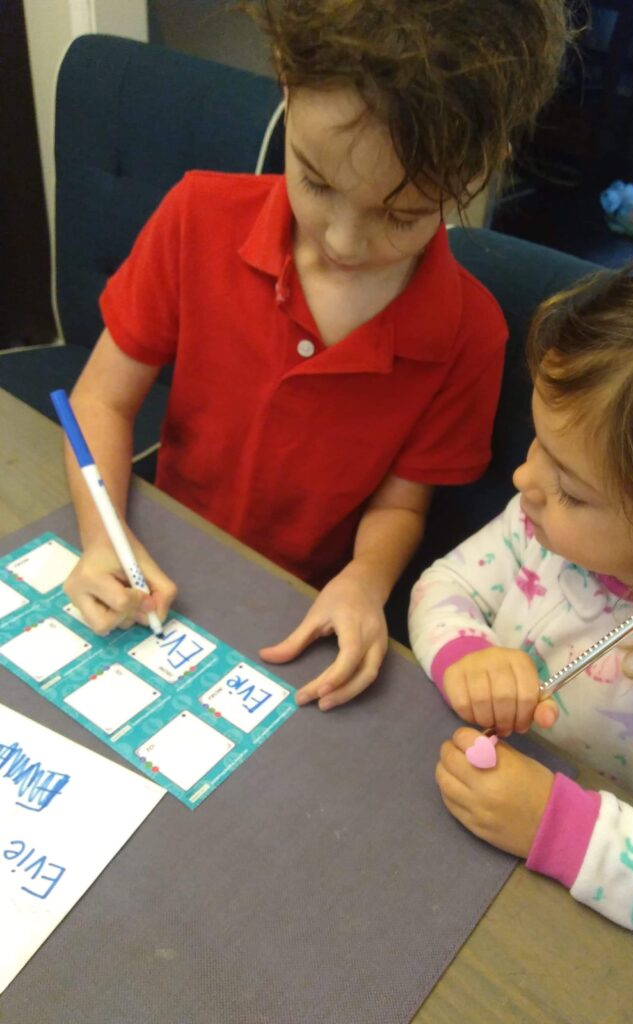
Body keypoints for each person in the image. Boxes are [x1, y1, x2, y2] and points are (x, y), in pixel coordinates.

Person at [60, 0, 569, 709]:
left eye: (402, 215)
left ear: (480, 170)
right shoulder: (196, 217)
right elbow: (100, 400)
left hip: (298, 606)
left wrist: (366, 577)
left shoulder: (469, 332)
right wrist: (102, 535)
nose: (344, 243)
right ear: (286, 84)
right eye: (318, 183)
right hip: (155, 550)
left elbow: (401, 501)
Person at [408, 241, 633, 960]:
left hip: (574, 933)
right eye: (538, 444)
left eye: (572, 487)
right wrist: (467, 658)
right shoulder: (545, 518)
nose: (523, 479)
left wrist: (557, 827)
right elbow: (444, 586)